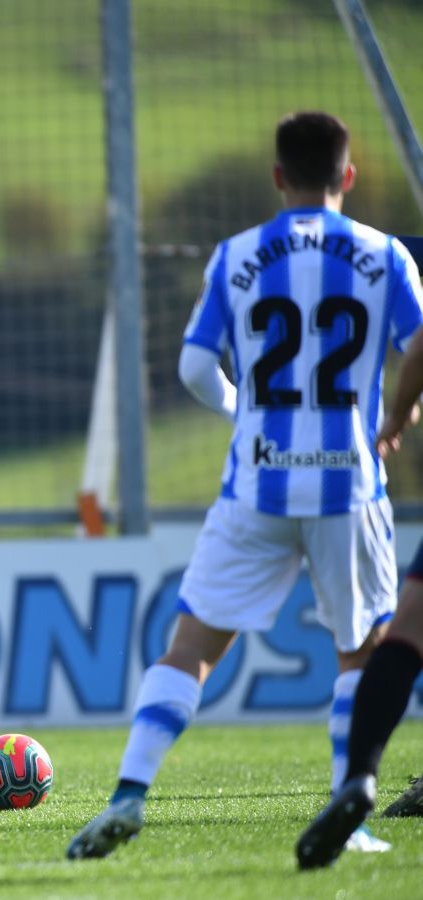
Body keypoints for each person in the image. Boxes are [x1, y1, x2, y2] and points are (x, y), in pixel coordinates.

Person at [66, 111, 423, 860]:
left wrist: (244, 410)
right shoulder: (384, 254)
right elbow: (420, 343)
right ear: (347, 177)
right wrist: (397, 413)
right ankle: (345, 811)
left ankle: (130, 793)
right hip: (348, 486)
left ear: (276, 177)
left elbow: (196, 368)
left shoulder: (237, 254)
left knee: (192, 645)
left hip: (256, 483)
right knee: (360, 652)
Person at [295, 233, 423, 869]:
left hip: (294, 472)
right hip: (343, 482)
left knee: (399, 629)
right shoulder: (397, 255)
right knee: (394, 629)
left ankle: (358, 783)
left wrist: (396, 418)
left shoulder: (389, 253)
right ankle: (356, 789)